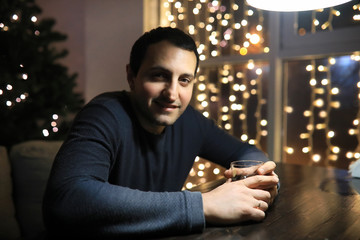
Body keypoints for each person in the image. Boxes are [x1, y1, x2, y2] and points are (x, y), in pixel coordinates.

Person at [42, 26, 279, 239]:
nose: (172, 93)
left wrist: (260, 178)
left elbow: (245, 151)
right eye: (159, 76)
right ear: (131, 77)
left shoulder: (190, 121)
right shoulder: (104, 114)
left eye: (184, 80)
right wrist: (203, 205)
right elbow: (68, 199)